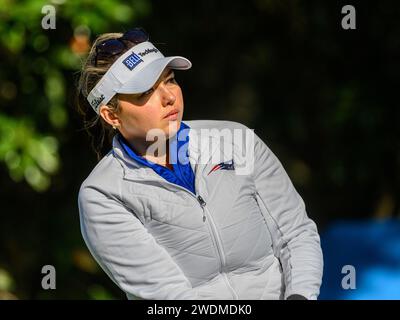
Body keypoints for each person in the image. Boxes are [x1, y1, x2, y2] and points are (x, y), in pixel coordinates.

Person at [76, 28, 323, 300]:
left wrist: (300, 296)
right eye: (146, 91)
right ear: (111, 115)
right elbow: (171, 297)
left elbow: (296, 233)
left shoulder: (236, 139)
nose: (169, 97)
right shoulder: (102, 194)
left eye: (169, 81)